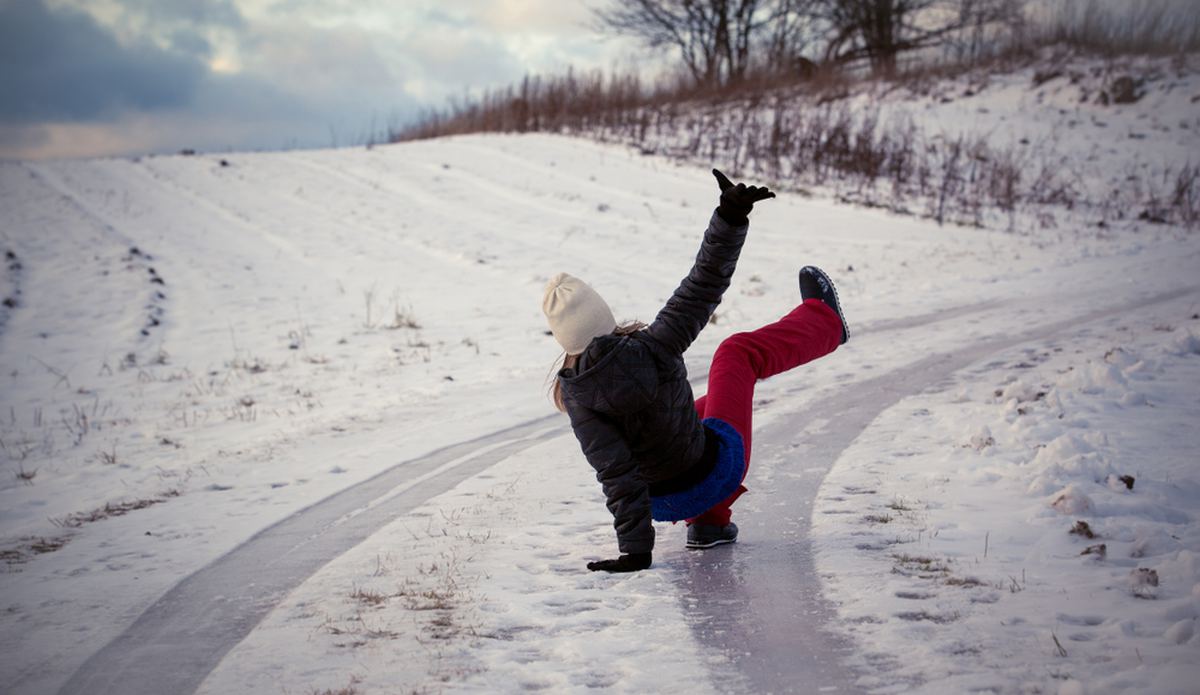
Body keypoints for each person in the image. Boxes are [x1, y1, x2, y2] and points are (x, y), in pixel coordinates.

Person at [542, 169, 849, 573]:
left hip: (663, 500)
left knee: (698, 408)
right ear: (605, 317)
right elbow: (702, 285)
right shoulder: (654, 345)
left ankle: (709, 525)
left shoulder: (577, 393)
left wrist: (636, 551)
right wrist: (730, 217)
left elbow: (616, 473)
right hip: (714, 473)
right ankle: (825, 322)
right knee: (735, 353)